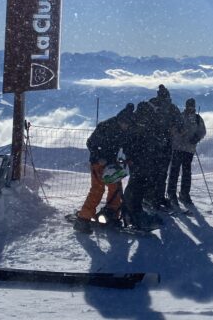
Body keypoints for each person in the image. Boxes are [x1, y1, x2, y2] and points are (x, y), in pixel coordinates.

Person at [74, 103, 134, 232]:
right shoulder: (105, 126)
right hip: (98, 163)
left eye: (128, 125)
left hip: (112, 164)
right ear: (120, 120)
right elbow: (90, 143)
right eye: (125, 124)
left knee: (116, 188)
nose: (126, 127)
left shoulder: (125, 130)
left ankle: (112, 214)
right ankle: (83, 220)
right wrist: (99, 157)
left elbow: (127, 145)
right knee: (97, 189)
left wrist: (129, 158)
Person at [145, 84, 181, 208]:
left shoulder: (152, 104)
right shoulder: (171, 108)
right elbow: (180, 124)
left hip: (153, 145)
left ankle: (152, 197)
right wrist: (174, 128)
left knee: (154, 172)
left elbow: (145, 121)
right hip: (163, 144)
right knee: (160, 172)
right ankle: (156, 198)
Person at [122, 102, 156, 228]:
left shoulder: (141, 122)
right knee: (136, 184)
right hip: (137, 159)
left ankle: (134, 209)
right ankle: (130, 211)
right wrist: (131, 157)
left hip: (142, 159)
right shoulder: (137, 123)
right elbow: (130, 143)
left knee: (139, 183)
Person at [167, 97, 206, 206]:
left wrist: (197, 138)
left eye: (191, 105)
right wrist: (177, 131)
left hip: (189, 150)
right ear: (186, 106)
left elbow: (203, 131)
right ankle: (171, 194)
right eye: (189, 105)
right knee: (174, 172)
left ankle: (184, 194)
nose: (190, 107)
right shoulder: (179, 116)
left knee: (186, 173)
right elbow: (171, 129)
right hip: (178, 148)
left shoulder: (198, 118)